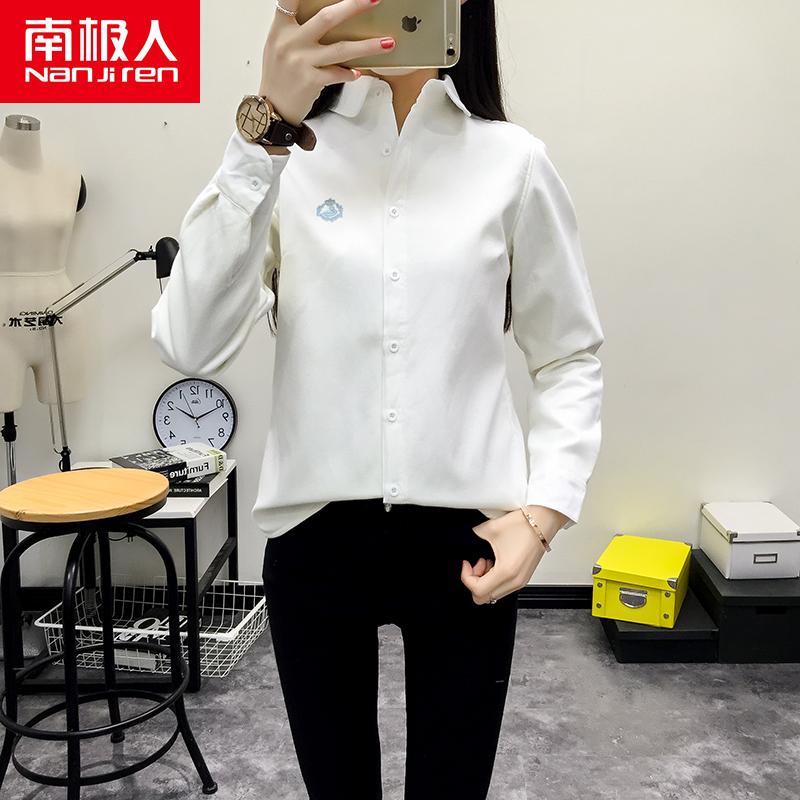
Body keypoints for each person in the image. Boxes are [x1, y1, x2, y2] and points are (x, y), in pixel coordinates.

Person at [150, 0, 605, 797]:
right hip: (314, 539)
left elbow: (568, 352)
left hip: (469, 541)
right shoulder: (287, 156)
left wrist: (545, 513)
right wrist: (264, 130)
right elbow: (189, 342)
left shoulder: (512, 161)